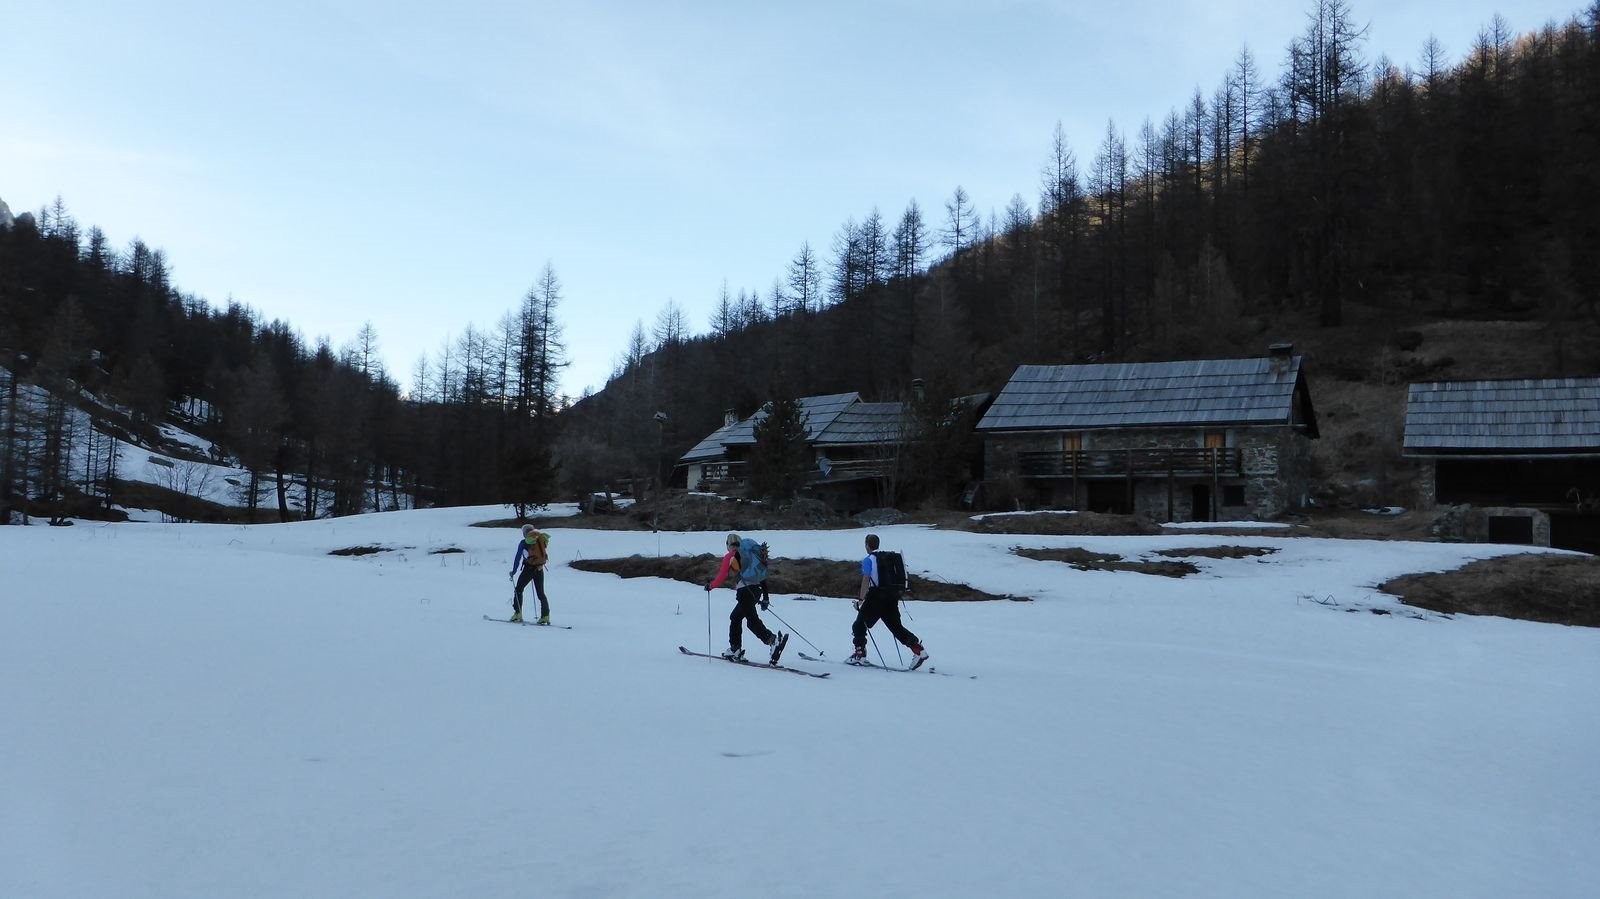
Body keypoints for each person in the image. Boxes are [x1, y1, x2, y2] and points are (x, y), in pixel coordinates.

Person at [706, 532, 787, 664]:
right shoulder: (751, 555)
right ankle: (735, 649)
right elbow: (762, 577)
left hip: (745, 592)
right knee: (736, 617)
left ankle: (772, 641)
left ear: (728, 544)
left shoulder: (731, 556)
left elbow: (721, 577)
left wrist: (710, 586)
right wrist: (765, 597)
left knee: (751, 621)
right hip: (756, 591)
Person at [850, 533, 927, 669]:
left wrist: (860, 600)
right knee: (896, 627)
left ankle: (860, 655)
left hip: (876, 597)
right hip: (892, 597)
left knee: (859, 625)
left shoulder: (869, 560)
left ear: (867, 545)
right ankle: (918, 650)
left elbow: (866, 579)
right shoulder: (890, 558)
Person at [508, 523, 552, 624]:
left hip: (529, 569)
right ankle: (545, 616)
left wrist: (514, 571)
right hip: (540, 568)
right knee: (541, 593)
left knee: (518, 589)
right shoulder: (540, 541)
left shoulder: (524, 543)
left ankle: (517, 613)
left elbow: (518, 558)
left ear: (524, 533)